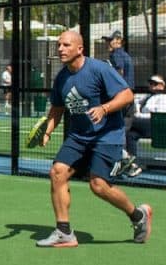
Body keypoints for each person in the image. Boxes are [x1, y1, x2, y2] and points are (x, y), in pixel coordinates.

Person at [35, 29, 152, 248]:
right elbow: (57, 109)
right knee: (57, 172)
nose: (60, 49)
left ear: (80, 49)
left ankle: (138, 215)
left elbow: (127, 95)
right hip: (78, 136)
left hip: (107, 135)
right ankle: (64, 232)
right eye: (59, 45)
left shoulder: (98, 69)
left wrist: (105, 108)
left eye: (66, 45)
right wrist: (48, 131)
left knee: (98, 186)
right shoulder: (62, 77)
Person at [120, 74, 166, 178]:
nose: (152, 86)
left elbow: (159, 116)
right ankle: (134, 164)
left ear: (162, 85)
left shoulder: (164, 98)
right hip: (142, 125)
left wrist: (138, 116)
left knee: (128, 123)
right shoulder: (146, 97)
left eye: (155, 84)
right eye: (151, 83)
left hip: (156, 126)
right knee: (130, 135)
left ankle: (118, 130)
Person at [105, 32, 138, 173]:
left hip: (121, 99)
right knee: (121, 130)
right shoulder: (125, 55)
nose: (108, 43)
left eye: (110, 40)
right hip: (128, 99)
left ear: (119, 41)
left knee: (111, 131)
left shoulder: (117, 54)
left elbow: (118, 73)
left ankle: (124, 161)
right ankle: (128, 165)